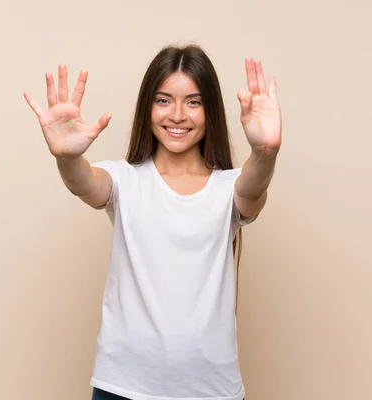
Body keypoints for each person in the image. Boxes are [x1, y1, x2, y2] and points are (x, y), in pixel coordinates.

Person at [23, 44, 281, 400]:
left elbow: (254, 187)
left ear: (211, 112)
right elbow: (84, 182)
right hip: (123, 387)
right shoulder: (124, 181)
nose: (177, 115)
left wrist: (266, 153)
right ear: (147, 107)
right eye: (163, 100)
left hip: (210, 391)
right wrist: (67, 158)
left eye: (194, 102)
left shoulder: (228, 188)